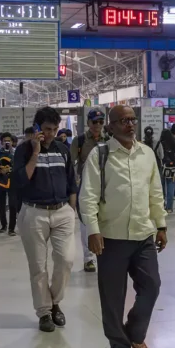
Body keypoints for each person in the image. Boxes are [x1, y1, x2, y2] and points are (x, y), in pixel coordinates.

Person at [83, 106, 168, 348]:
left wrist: (161, 225)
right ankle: (118, 345)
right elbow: (88, 197)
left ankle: (135, 332)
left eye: (132, 120)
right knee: (112, 295)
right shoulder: (100, 155)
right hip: (111, 236)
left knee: (151, 285)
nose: (130, 125)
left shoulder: (147, 154)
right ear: (111, 126)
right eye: (123, 121)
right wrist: (93, 231)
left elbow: (155, 192)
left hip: (143, 233)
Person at [13, 106, 78, 332]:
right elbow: (21, 181)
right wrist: (35, 151)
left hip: (62, 211)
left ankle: (55, 301)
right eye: (47, 129)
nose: (51, 133)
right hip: (34, 213)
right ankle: (44, 312)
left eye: (54, 129)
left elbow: (71, 181)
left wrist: (72, 209)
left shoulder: (63, 149)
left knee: (66, 259)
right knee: (38, 266)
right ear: (38, 127)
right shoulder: (23, 150)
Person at [71, 109, 108, 273]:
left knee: (105, 220)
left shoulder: (109, 140)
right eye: (95, 122)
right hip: (85, 186)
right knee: (86, 221)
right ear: (88, 123)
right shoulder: (79, 141)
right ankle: (88, 258)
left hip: (106, 186)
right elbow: (71, 165)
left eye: (101, 122)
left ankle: (103, 254)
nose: (98, 125)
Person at [0, 133, 17, 234]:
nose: (7, 142)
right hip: (1, 181)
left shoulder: (15, 153)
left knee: (12, 204)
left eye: (9, 141)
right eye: (5, 141)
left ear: (12, 142)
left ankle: (11, 228)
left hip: (13, 181)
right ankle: (3, 225)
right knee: (1, 204)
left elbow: (19, 165)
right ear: (1, 142)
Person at [154, 128, 175, 213]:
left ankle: (162, 205)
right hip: (172, 168)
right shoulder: (174, 144)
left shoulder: (160, 143)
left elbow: (161, 156)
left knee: (161, 187)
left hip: (163, 167)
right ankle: (169, 207)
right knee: (171, 185)